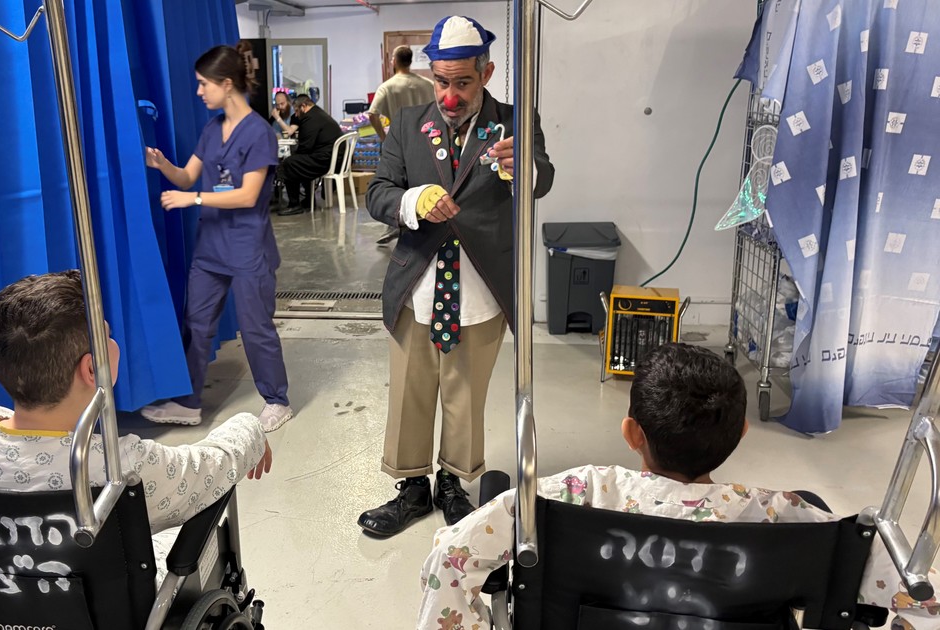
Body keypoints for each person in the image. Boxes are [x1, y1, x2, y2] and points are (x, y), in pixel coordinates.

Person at [417, 343, 940, 630]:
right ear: (741, 433)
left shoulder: (570, 496)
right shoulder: (790, 523)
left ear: (631, 433)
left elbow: (450, 559)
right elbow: (924, 597)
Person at [0, 270, 274, 586]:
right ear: (92, 369)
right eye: (107, 334)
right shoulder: (122, 469)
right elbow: (213, 467)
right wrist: (248, 428)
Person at [358, 15, 555, 537]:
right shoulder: (407, 124)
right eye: (441, 82)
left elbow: (542, 180)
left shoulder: (514, 122)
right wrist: (411, 200)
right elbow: (377, 192)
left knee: (465, 396)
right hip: (417, 286)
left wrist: (521, 169)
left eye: (462, 83)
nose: (449, 96)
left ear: (486, 73)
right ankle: (411, 488)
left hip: (480, 287)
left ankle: (453, 483)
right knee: (410, 392)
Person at [142, 45, 294, 433]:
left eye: (203, 84)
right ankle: (189, 403)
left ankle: (277, 400)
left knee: (256, 327)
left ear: (226, 84)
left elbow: (247, 195)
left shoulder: (259, 133)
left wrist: (192, 199)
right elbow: (187, 176)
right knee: (196, 324)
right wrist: (162, 165)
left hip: (248, 246)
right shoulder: (212, 129)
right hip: (211, 247)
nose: (198, 91)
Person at [368, 45, 437, 246]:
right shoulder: (427, 84)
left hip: (398, 141)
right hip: (428, 138)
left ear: (394, 61)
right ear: (410, 61)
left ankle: (397, 223)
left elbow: (372, 114)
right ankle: (423, 223)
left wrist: (383, 137)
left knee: (394, 184)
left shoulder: (387, 87)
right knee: (424, 183)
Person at [274, 94, 342, 216]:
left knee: (290, 163)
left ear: (303, 106)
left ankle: (294, 204)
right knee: (298, 161)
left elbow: (305, 147)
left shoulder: (310, 119)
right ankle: (308, 200)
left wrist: (291, 159)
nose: (296, 115)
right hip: (333, 159)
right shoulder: (318, 114)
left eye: (297, 111)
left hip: (326, 160)